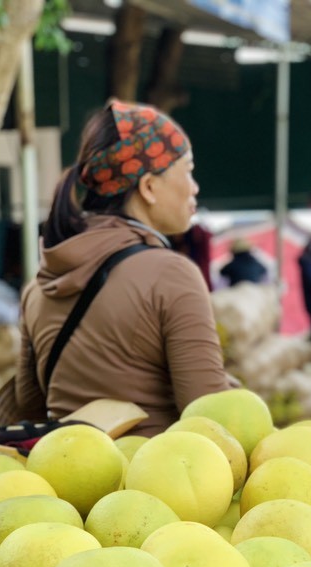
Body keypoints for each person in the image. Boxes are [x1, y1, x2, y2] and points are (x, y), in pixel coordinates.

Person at [16, 99, 232, 436]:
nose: (195, 187)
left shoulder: (40, 285)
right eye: (188, 170)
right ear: (148, 187)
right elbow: (209, 418)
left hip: (64, 479)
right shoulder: (171, 275)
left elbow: (28, 405)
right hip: (154, 482)